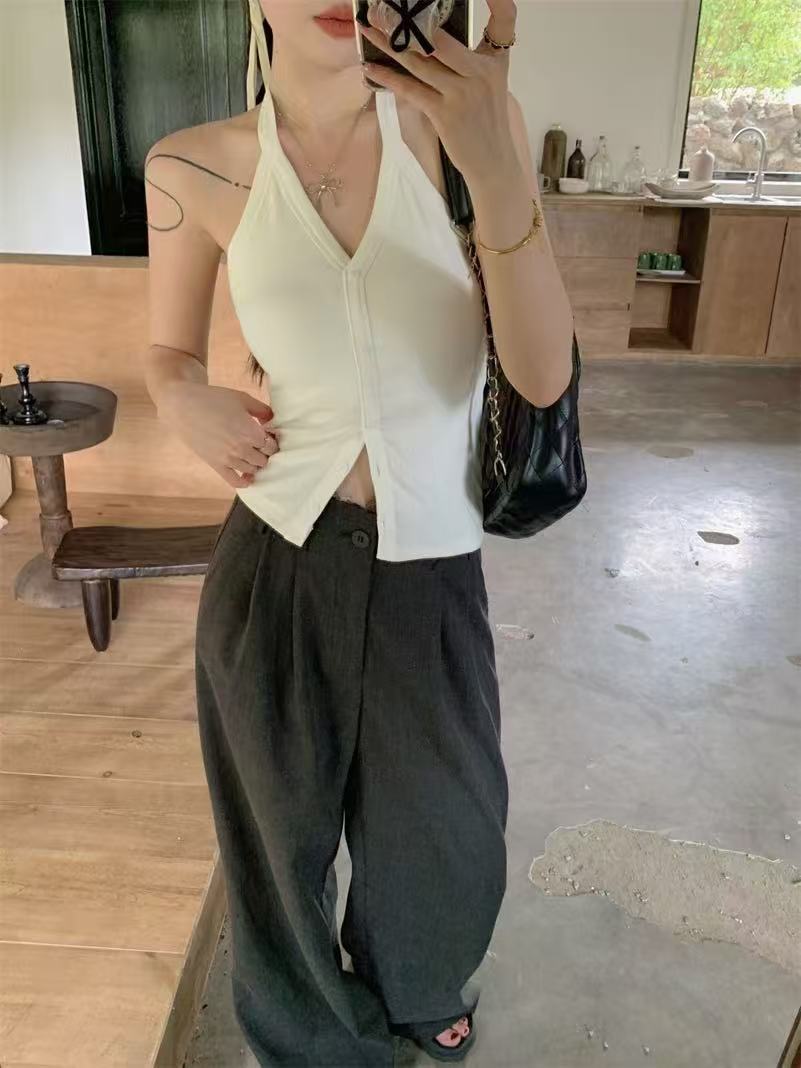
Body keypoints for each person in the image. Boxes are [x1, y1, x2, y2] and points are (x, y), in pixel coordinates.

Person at [143, 0, 573, 1063]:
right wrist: (182, 398)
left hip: (431, 558)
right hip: (275, 557)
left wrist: (498, 171)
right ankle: (311, 1037)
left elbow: (540, 378)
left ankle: (415, 982)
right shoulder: (191, 166)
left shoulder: (462, 130)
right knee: (275, 834)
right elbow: (167, 353)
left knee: (446, 826)